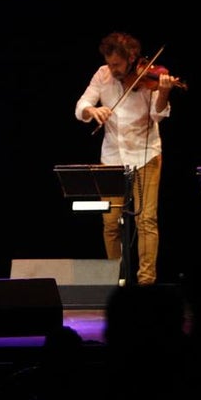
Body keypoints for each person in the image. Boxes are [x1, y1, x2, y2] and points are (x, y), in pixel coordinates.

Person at [75, 31, 178, 286]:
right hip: (111, 157)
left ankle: (146, 283)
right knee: (110, 222)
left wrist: (164, 93)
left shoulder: (147, 76)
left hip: (146, 156)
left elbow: (158, 116)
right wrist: (92, 109)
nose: (113, 69)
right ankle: (115, 280)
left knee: (146, 220)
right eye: (109, 63)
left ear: (131, 58)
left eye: (117, 65)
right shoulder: (102, 74)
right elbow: (81, 105)